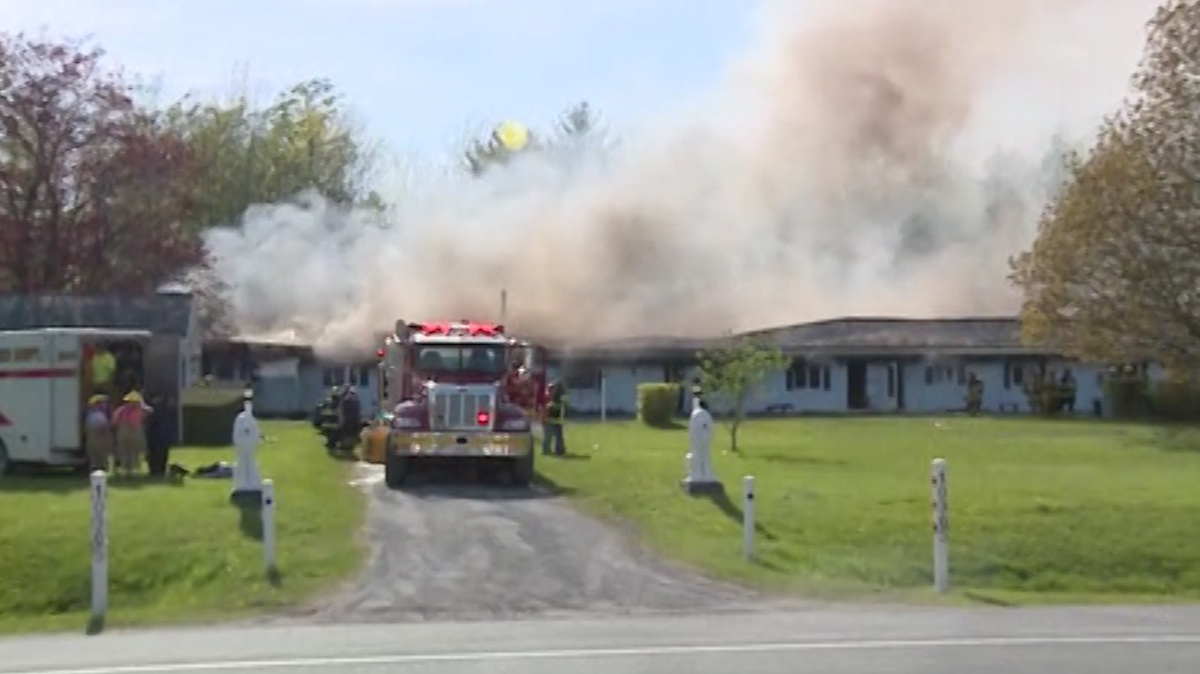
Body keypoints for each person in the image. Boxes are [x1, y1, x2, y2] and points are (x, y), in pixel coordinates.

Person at [112, 390, 150, 477]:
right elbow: (147, 414)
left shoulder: (120, 410)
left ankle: (126, 470)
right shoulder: (139, 410)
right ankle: (133, 470)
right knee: (135, 451)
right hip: (135, 433)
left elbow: (114, 422)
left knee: (124, 451)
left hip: (122, 433)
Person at [144, 392, 177, 478]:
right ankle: (160, 470)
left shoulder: (154, 411)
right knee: (162, 454)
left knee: (155, 454)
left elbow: (149, 425)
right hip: (162, 436)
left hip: (155, 436)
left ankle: (155, 470)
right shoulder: (167, 412)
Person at [83, 394, 113, 473]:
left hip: (92, 435)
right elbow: (104, 427)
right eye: (102, 403)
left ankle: (94, 468)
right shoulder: (99, 415)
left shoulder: (90, 414)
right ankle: (100, 468)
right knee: (100, 452)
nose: (104, 404)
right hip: (98, 435)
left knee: (93, 452)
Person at [542, 381, 568, 456]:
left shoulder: (558, 396)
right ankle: (550, 450)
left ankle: (558, 450)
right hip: (551, 418)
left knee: (555, 435)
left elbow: (561, 405)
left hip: (555, 418)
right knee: (550, 435)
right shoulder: (548, 396)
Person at [338, 385, 362, 451]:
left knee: (346, 432)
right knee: (353, 433)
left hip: (348, 419)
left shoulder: (347, 399)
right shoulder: (356, 399)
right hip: (355, 419)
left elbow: (343, 409)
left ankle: (346, 446)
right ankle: (350, 446)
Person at [318, 387, 342, 451]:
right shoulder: (331, 400)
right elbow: (325, 406)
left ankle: (332, 444)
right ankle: (330, 443)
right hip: (330, 418)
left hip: (335, 419)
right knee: (329, 432)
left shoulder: (338, 400)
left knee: (333, 432)